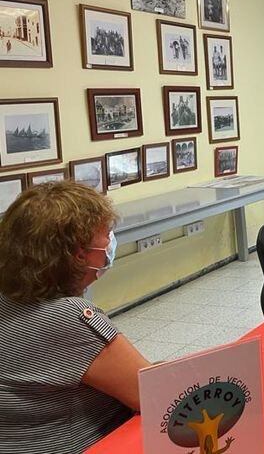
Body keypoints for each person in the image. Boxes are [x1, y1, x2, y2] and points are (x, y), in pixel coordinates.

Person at [0, 182, 151, 453]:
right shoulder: (68, 318)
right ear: (79, 254)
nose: (111, 241)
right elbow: (152, 392)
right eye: (107, 234)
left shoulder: (6, 299)